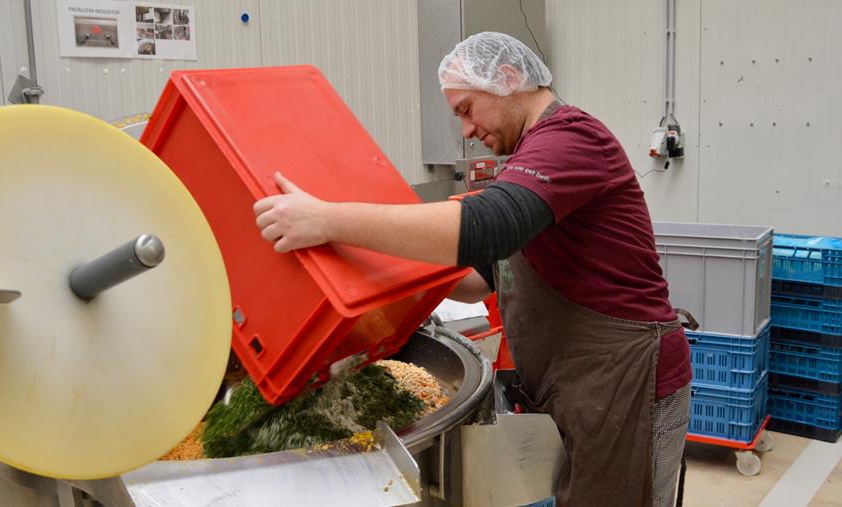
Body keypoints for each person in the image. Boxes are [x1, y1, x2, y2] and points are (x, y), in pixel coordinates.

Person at [253, 31, 692, 507]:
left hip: (627, 383)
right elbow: (473, 278)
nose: (465, 130)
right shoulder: (528, 159)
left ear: (506, 79)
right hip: (588, 389)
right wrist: (365, 279)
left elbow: (487, 228)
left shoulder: (571, 138)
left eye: (466, 109)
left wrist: (327, 219)